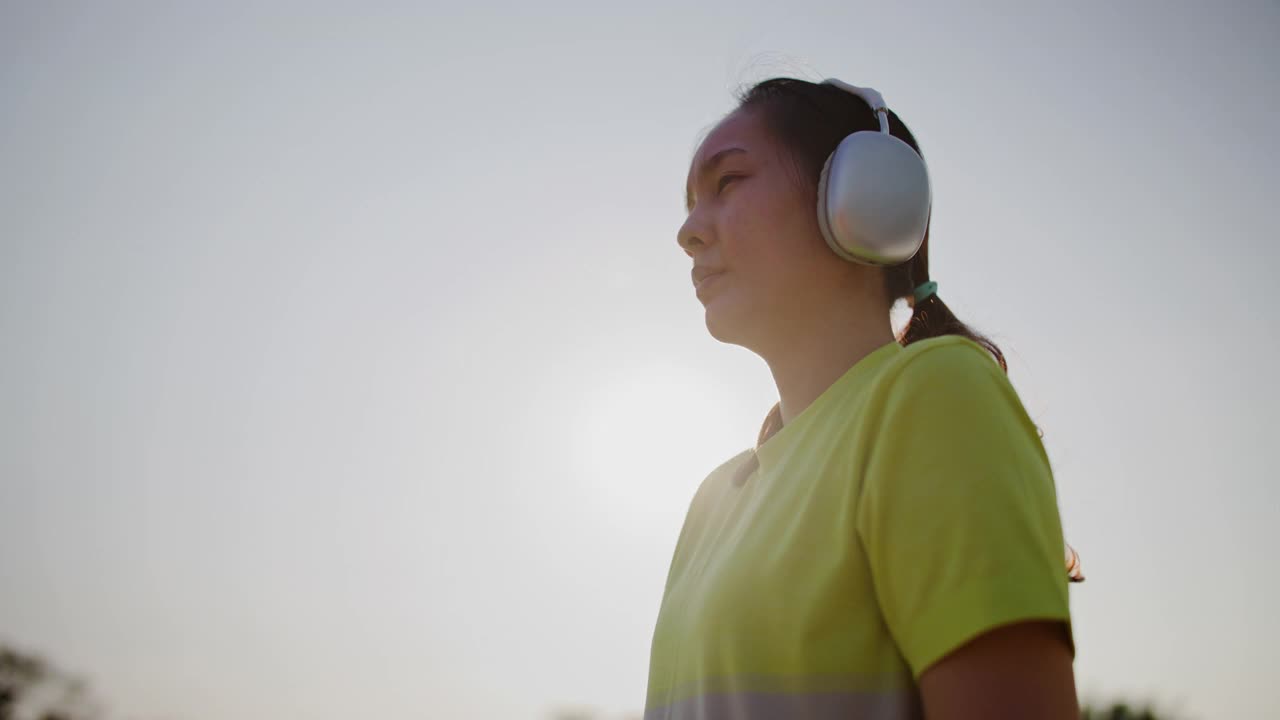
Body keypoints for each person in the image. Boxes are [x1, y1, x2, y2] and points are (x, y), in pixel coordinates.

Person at [644, 77, 1085, 720]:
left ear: (861, 197)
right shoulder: (713, 500)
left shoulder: (934, 395)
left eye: (728, 182)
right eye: (688, 203)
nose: (688, 231)